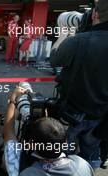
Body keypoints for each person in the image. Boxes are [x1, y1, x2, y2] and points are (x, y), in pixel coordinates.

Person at [50, 0, 108, 169]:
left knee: (62, 153)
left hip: (72, 115)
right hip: (101, 117)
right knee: (91, 152)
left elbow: (54, 59)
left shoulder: (79, 41)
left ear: (95, 14)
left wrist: (64, 33)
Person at [3, 86, 95, 176]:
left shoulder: (24, 171)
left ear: (31, 143)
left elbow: (8, 135)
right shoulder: (82, 165)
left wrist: (12, 101)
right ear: (65, 142)